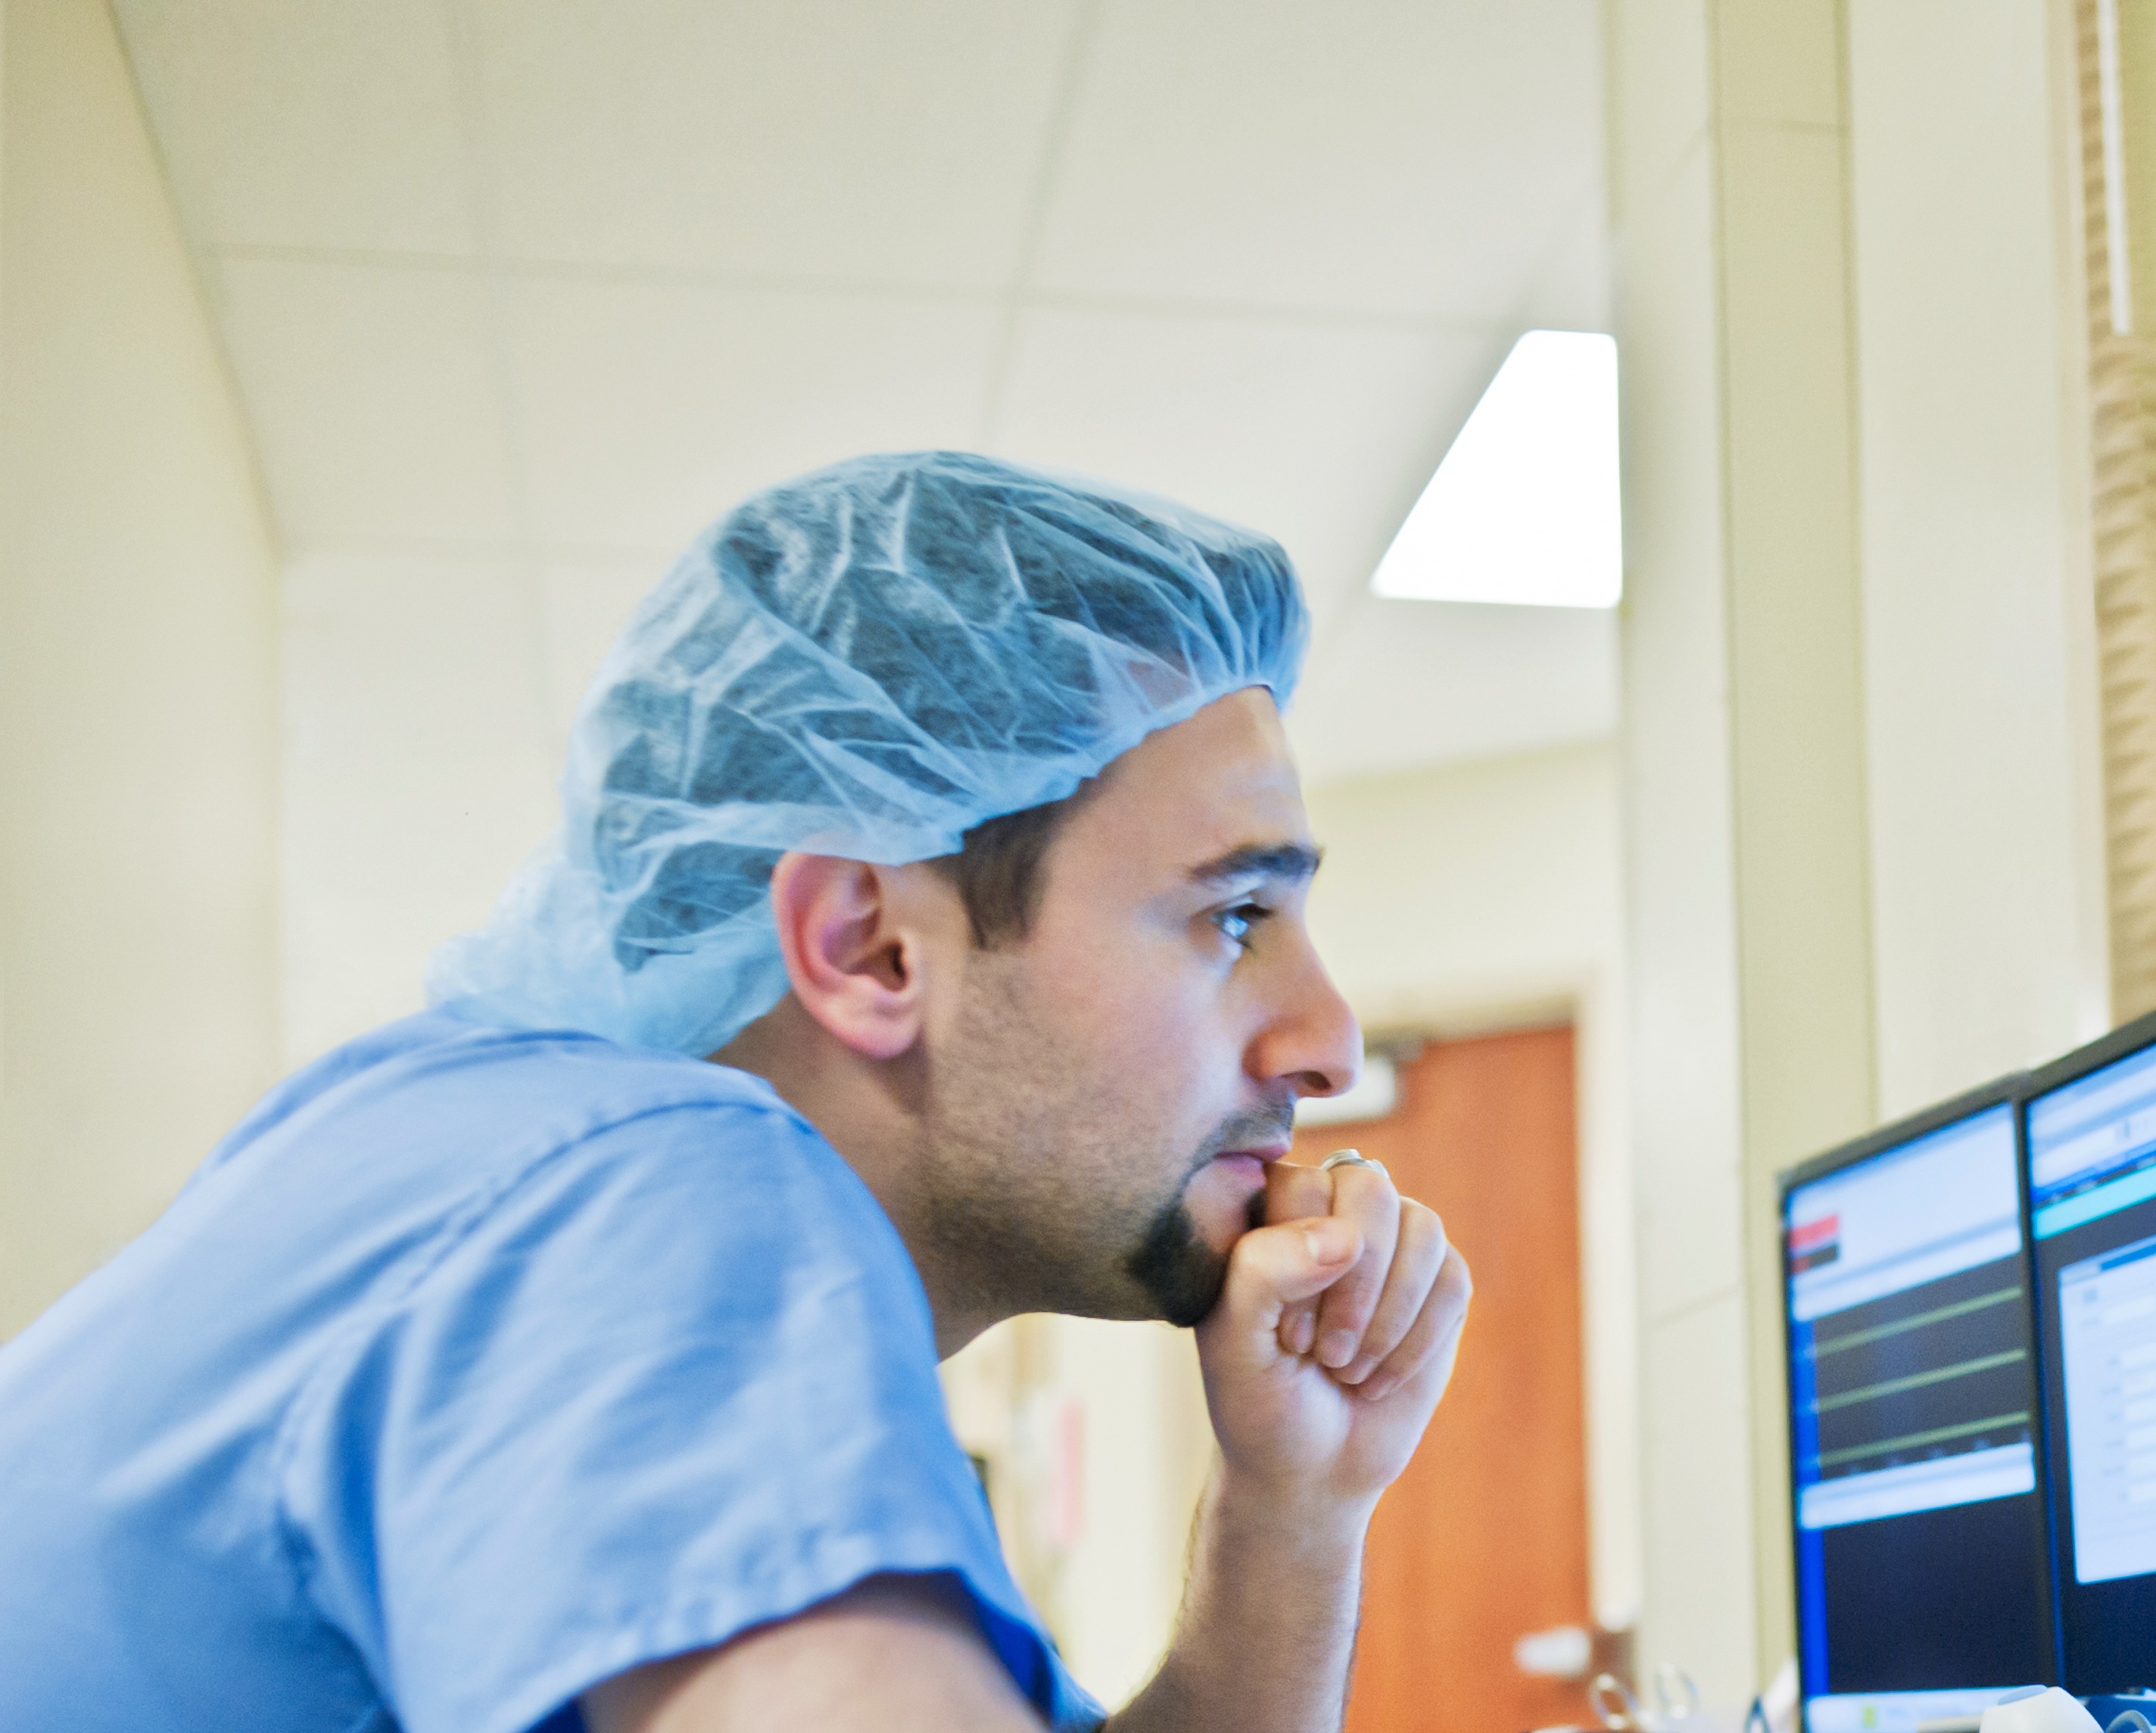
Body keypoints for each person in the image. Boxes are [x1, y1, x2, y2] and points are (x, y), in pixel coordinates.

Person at [0, 452, 1471, 1732]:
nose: (1328, 1041)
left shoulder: (527, 1171)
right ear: (867, 944)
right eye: (1231, 915)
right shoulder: (650, 1179)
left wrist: (1296, 1509)